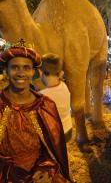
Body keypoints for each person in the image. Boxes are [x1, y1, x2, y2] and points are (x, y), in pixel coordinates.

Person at [0, 43, 71, 182]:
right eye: (15, 67)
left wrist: (46, 169)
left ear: (34, 72)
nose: (21, 73)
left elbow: (53, 149)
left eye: (26, 68)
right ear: (6, 71)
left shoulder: (45, 105)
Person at [39, 53, 73, 142]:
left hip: (55, 135)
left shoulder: (42, 96)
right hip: (68, 130)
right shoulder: (64, 85)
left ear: (40, 72)